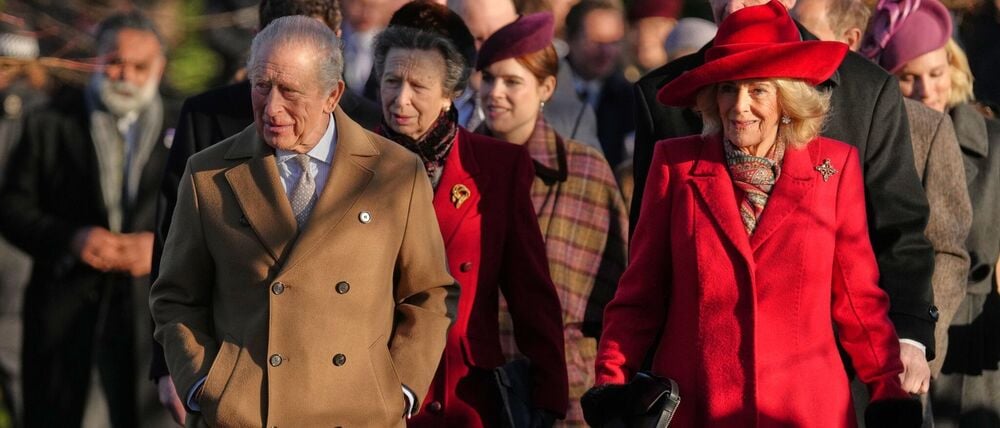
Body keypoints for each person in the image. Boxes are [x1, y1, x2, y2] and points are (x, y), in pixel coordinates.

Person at [582, 2, 922, 426]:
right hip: (699, 402)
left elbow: (858, 301)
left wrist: (887, 387)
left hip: (804, 407)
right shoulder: (676, 164)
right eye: (728, 89)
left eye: (758, 89)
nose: (739, 106)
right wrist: (612, 382)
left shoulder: (832, 170)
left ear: (787, 97)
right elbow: (640, 294)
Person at [149, 16, 457, 426]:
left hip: (358, 415)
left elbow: (428, 294)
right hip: (244, 415)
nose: (272, 107)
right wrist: (204, 384)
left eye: (290, 91)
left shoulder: (396, 173)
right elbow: (175, 297)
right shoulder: (208, 173)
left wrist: (398, 390)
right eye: (261, 86)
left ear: (333, 95)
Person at [370, 3, 569, 425]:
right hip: (372, 391)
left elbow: (532, 294)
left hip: (462, 396)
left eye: (418, 86)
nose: (400, 100)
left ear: (451, 93)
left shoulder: (497, 167)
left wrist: (550, 398)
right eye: (391, 81)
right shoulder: (351, 164)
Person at [795, 0, 971, 414]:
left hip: (890, 360)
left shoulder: (921, 126)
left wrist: (913, 343)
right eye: (910, 75)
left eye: (804, 32)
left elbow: (938, 246)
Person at [0, 11, 174, 428]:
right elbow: (12, 209)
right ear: (95, 60)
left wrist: (161, 247)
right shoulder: (50, 121)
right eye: (114, 62)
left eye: (139, 66)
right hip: (68, 316)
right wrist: (71, 239)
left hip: (155, 320)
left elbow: (213, 218)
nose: (124, 75)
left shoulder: (184, 125)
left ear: (160, 67)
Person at [475, 13, 628, 426]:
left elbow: (618, 301)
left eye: (512, 82)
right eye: (488, 79)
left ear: (546, 88)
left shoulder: (585, 174)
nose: (495, 93)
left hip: (565, 399)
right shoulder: (459, 167)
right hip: (475, 390)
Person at [862, 0, 1000, 424]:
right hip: (895, 345)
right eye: (908, 78)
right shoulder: (877, 151)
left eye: (936, 74)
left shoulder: (995, 144)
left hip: (973, 346)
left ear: (955, 69)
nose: (926, 91)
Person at [446, 0, 601, 150]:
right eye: (476, 38)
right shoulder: (433, 91)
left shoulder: (570, 120)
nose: (488, 50)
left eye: (499, 37)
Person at [566, 0, 635, 168]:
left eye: (614, 42)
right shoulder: (543, 90)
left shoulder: (630, 99)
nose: (606, 52)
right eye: (596, 41)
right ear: (571, 39)